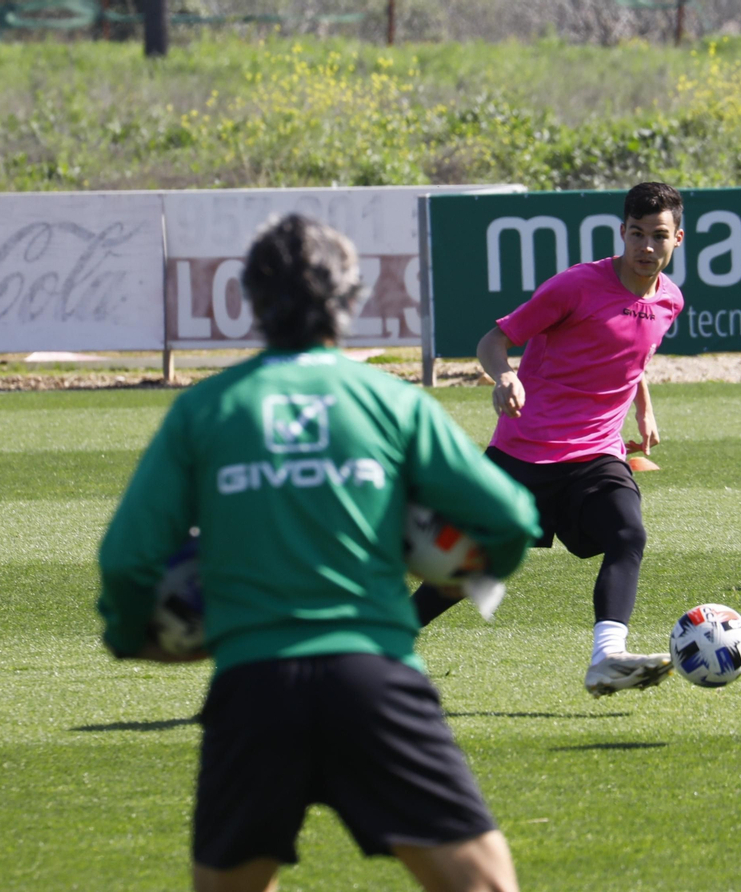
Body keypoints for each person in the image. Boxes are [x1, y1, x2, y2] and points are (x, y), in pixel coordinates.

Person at [97, 214, 541, 892]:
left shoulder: (206, 410)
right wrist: (462, 577)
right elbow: (510, 518)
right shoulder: (389, 401)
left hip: (253, 691)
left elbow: (128, 561)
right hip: (376, 683)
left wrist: (135, 638)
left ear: (250, 298)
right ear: (352, 299)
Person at [413, 182, 686, 697]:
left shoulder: (670, 299)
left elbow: (631, 355)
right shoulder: (576, 287)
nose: (646, 247)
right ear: (621, 232)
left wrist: (644, 407)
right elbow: (494, 340)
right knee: (467, 570)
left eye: (658, 236)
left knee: (628, 535)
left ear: (678, 239)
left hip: (597, 455)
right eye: (636, 234)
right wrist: (505, 377)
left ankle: (606, 656)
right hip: (525, 451)